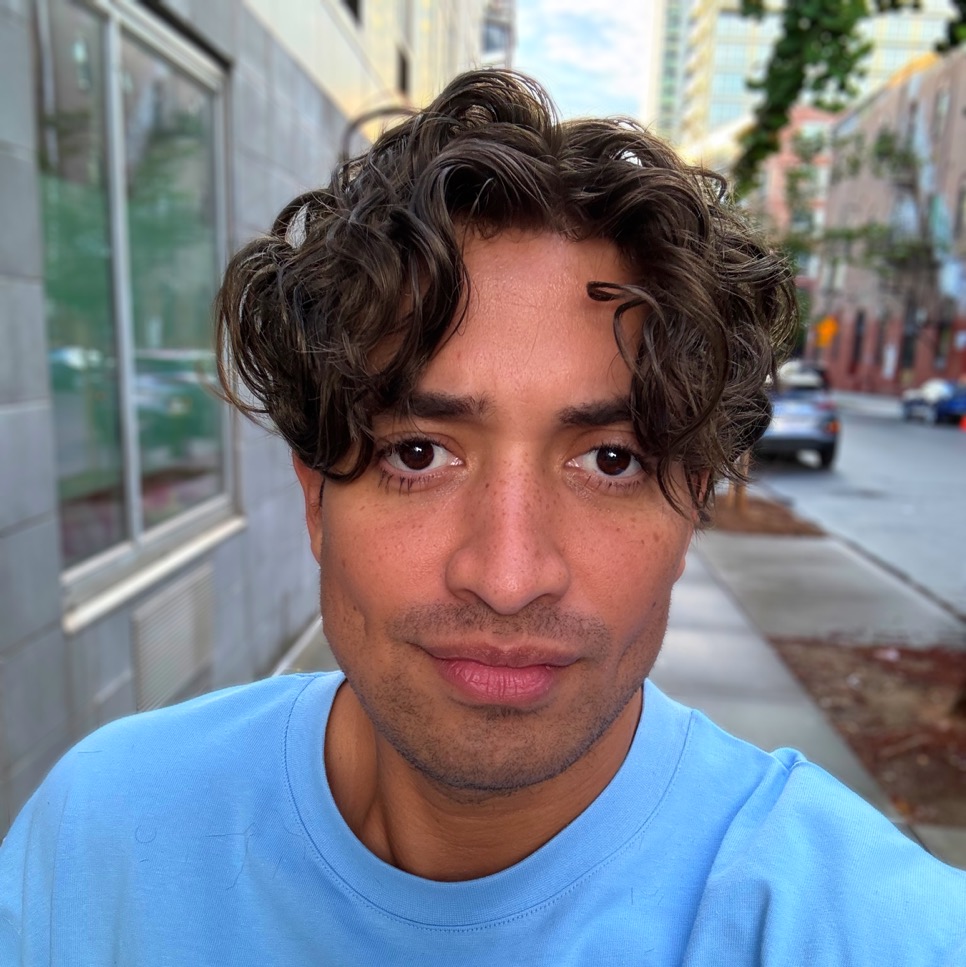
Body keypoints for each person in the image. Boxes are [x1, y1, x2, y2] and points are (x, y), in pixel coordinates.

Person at [1, 69, 964, 965]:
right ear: (315, 498)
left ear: (691, 509)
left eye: (611, 460)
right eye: (418, 453)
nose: (507, 577)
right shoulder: (97, 840)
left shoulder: (865, 929)